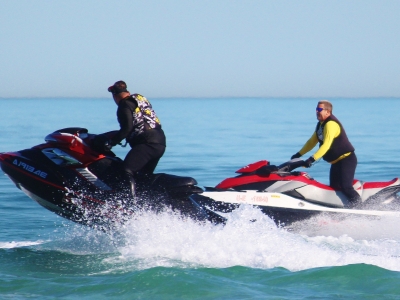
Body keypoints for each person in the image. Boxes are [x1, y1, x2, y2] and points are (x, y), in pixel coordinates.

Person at [290, 100, 361, 206]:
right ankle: (341, 210)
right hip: (336, 163)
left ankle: (361, 208)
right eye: (316, 109)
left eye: (319, 109)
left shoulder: (331, 124)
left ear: (328, 112)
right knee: (334, 190)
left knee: (346, 187)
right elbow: (311, 142)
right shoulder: (320, 125)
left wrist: (312, 159)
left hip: (347, 160)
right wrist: (298, 154)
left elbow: (326, 145)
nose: (317, 111)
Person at [105, 80, 166, 180]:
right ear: (127, 92)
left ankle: (130, 196)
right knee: (142, 176)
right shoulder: (139, 98)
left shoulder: (124, 105)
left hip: (147, 144)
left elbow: (127, 128)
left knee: (126, 171)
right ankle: (148, 195)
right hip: (160, 142)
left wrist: (111, 143)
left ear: (115, 96)